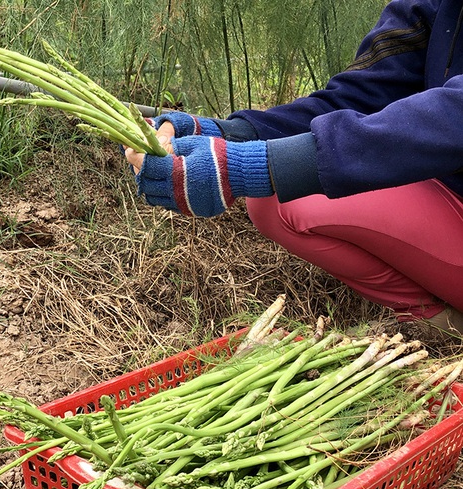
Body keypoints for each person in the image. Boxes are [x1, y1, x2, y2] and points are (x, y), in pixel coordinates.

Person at [124, 0, 463, 338]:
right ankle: (440, 324)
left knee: (284, 178)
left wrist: (252, 166)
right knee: (281, 199)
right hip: (447, 193)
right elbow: (358, 96)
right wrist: (227, 134)